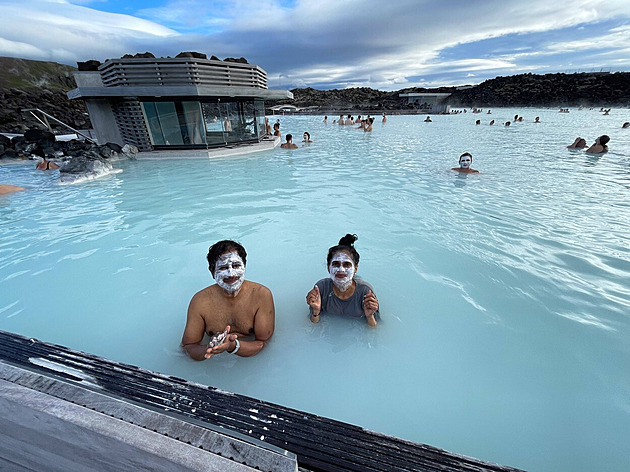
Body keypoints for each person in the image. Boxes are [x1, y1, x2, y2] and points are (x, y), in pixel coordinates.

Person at [182, 240, 275, 360]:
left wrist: (233, 346)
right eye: (223, 267)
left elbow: (264, 343)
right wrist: (210, 349)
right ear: (212, 272)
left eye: (236, 266)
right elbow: (188, 347)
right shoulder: (200, 301)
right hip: (214, 364)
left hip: (250, 361)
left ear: (244, 267)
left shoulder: (261, 295)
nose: (231, 274)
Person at [306, 234, 379, 327]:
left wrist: (370, 316)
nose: (341, 269)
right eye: (336, 264)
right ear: (328, 268)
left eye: (346, 264)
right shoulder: (321, 288)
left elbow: (375, 329)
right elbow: (314, 325)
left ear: (355, 269)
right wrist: (316, 311)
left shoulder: (365, 292)